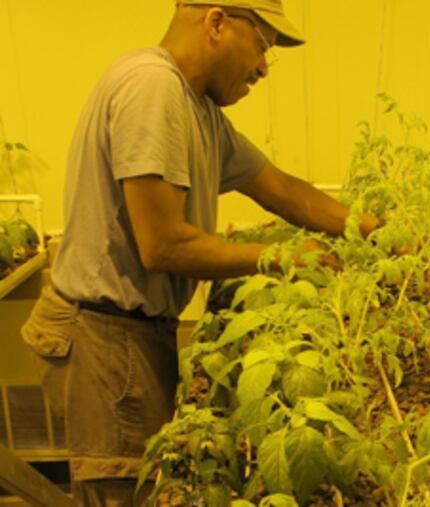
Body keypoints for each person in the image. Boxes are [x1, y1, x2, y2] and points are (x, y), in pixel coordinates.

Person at [21, 1, 380, 505]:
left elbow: (282, 189)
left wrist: (376, 232)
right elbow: (163, 245)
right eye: (261, 46)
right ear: (216, 22)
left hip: (130, 336)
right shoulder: (152, 89)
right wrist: (282, 259)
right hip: (104, 341)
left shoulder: (198, 111)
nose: (262, 68)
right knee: (126, 495)